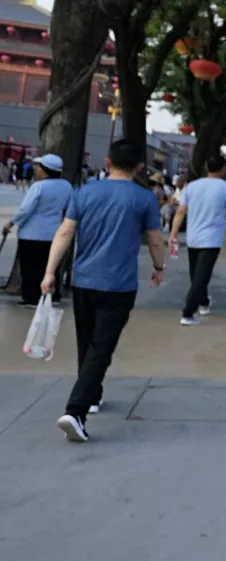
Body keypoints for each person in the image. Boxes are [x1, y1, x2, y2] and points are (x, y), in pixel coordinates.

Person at [42, 139, 166, 443]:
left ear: (108, 162)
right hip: (119, 285)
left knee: (87, 343)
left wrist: (49, 272)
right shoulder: (144, 198)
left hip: (84, 281)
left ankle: (93, 395)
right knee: (101, 348)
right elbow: (155, 238)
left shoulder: (84, 192)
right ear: (139, 167)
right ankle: (76, 411)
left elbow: (65, 231)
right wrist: (158, 266)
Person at [170, 154, 226, 326]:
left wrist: (173, 233)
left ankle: (203, 303)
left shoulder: (191, 186)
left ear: (206, 167)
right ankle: (188, 313)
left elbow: (180, 211)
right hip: (211, 239)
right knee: (201, 276)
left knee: (196, 274)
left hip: (193, 237)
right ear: (223, 169)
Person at [3, 154, 73, 306]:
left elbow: (25, 209)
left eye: (38, 166)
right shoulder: (66, 186)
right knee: (50, 266)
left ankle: (32, 297)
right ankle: (52, 296)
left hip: (32, 233)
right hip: (53, 233)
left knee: (30, 267)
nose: (36, 169)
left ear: (45, 169)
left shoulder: (38, 186)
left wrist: (11, 223)